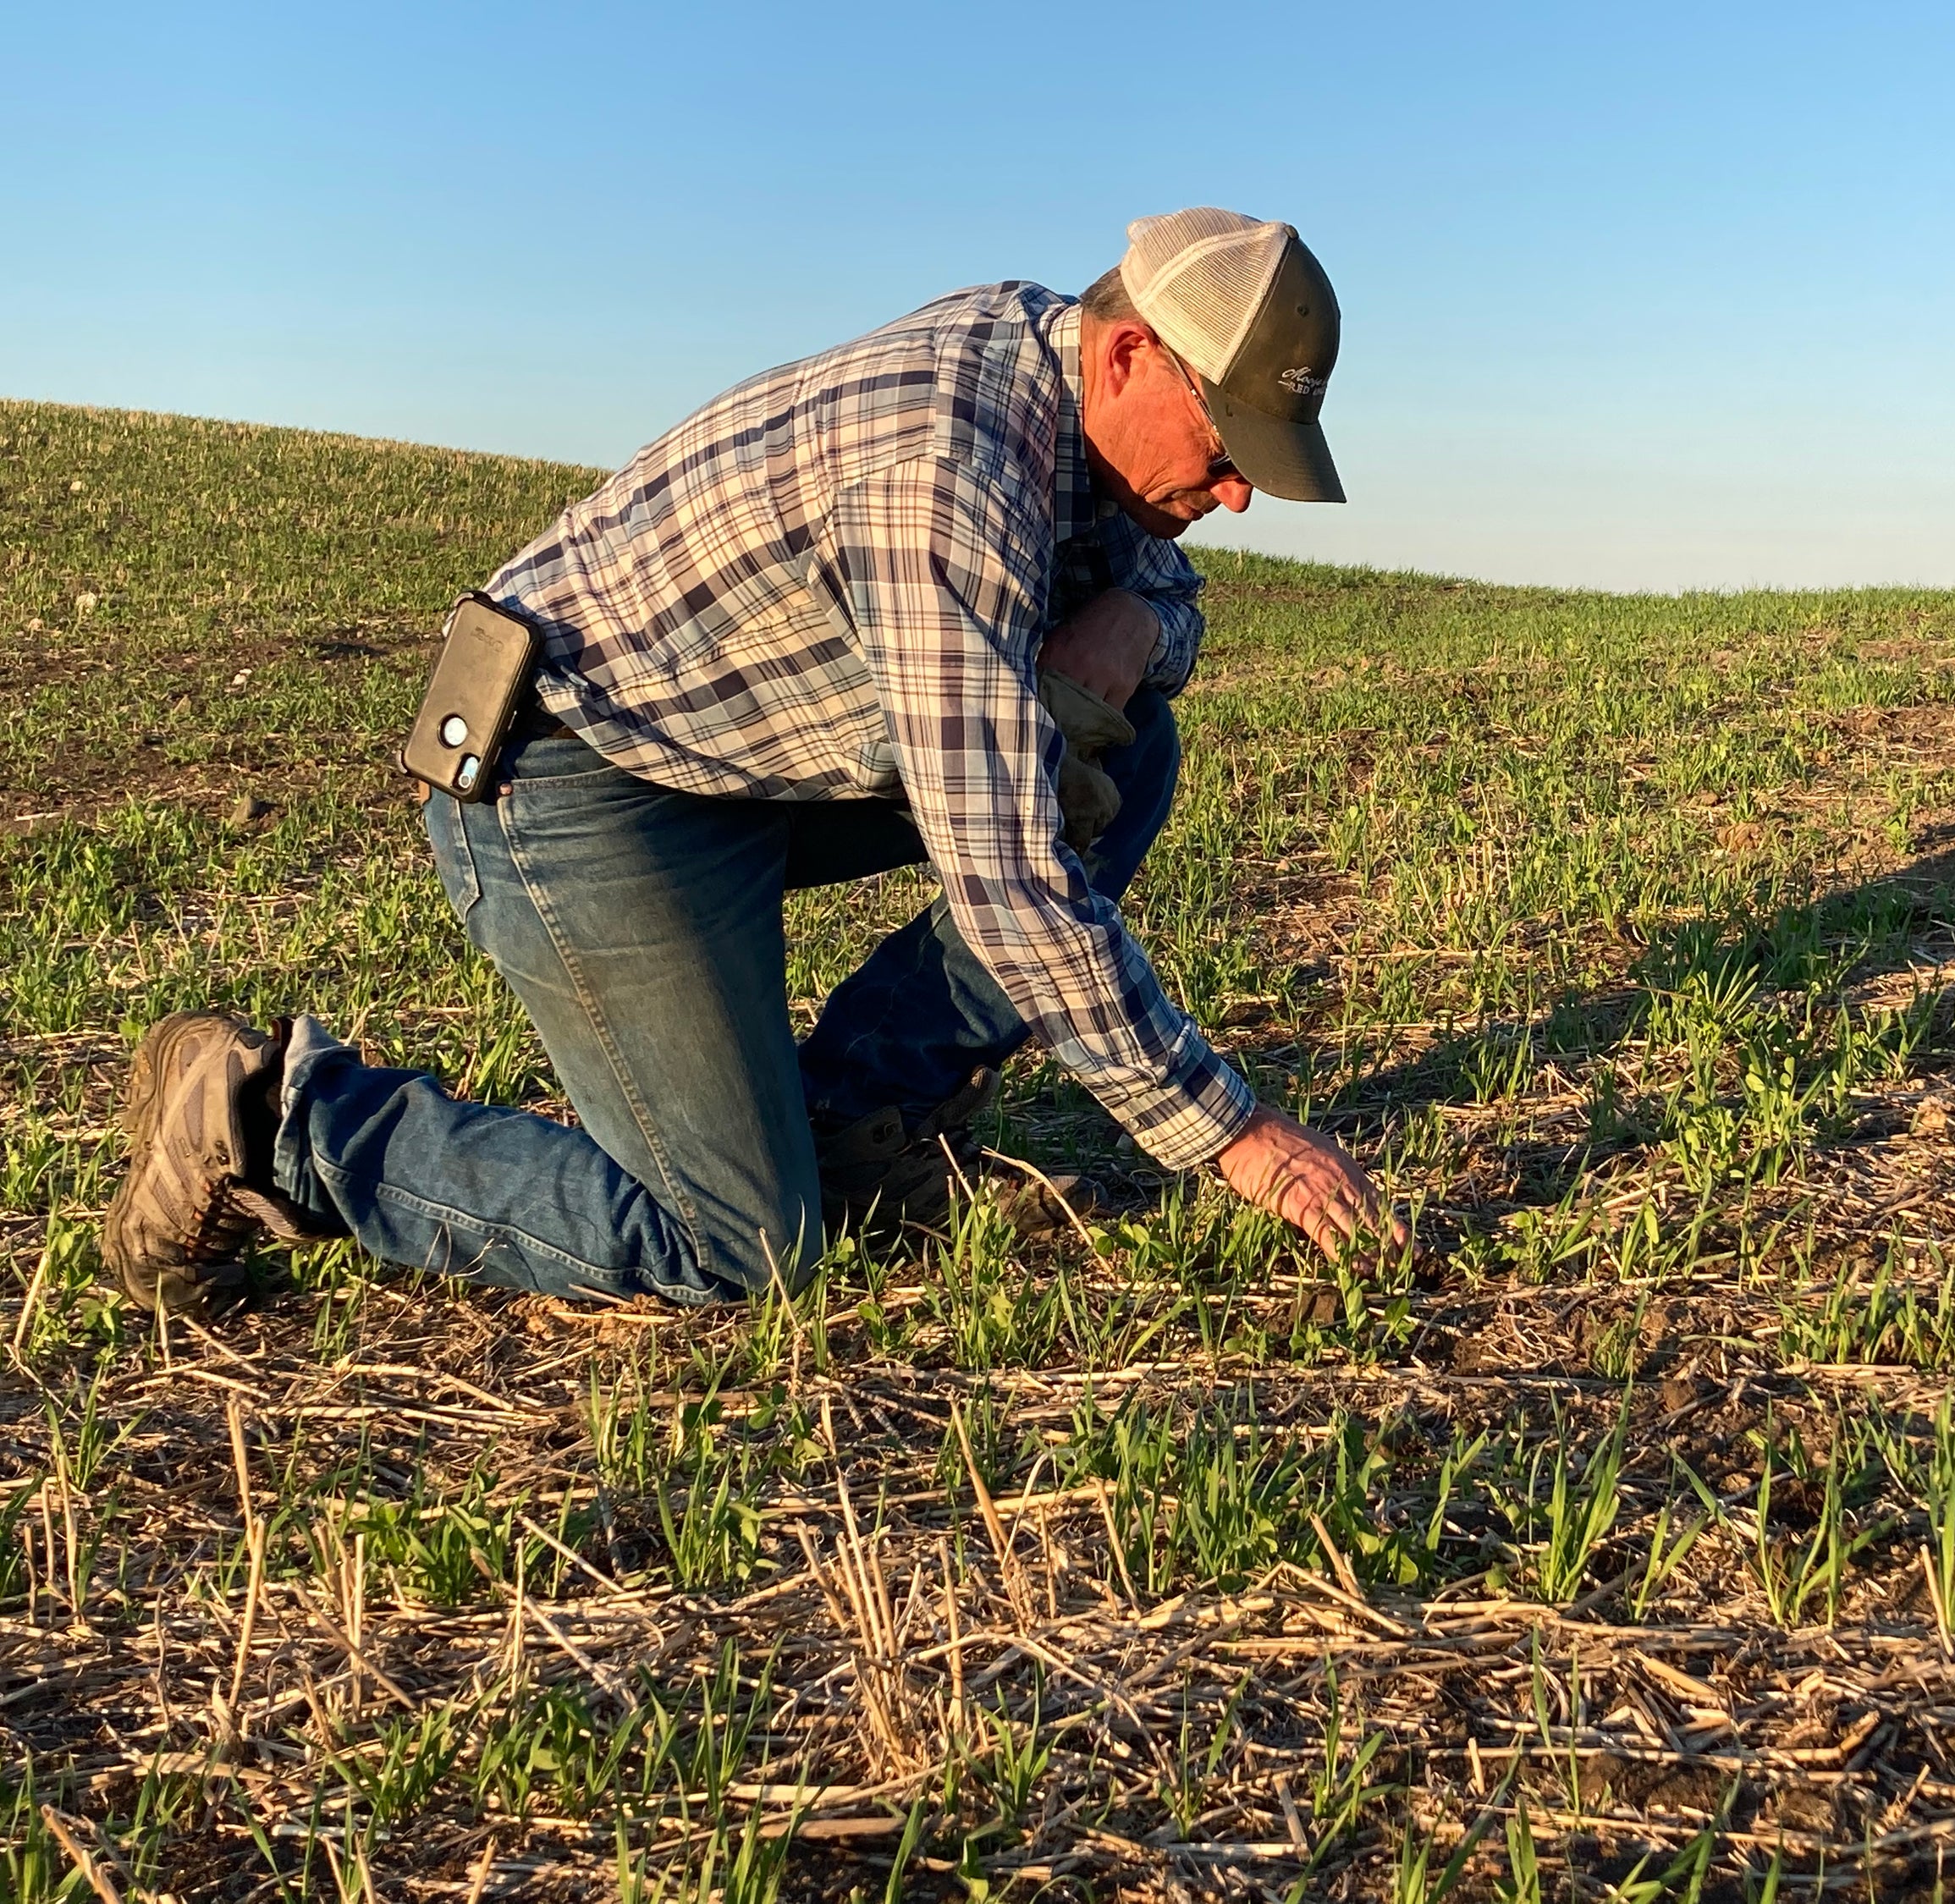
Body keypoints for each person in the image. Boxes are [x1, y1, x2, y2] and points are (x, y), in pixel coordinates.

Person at [102, 208, 1405, 1318]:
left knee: (1129, 740)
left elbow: (1168, 594)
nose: (1235, 498)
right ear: (1129, 352)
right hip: (566, 775)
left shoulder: (1076, 404)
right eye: (1228, 450)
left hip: (738, 758)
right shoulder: (949, 464)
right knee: (742, 1251)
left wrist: (1141, 620)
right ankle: (278, 1121)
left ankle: (847, 1120)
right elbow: (1007, 881)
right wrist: (1236, 1134)